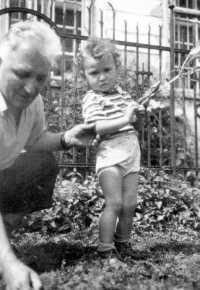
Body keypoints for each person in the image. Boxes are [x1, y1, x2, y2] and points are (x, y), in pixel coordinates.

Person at [0, 21, 98, 290]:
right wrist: (8, 264)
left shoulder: (32, 100)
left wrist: (67, 138)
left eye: (41, 78)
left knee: (41, 164)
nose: (31, 88)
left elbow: (35, 141)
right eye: (22, 73)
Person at [78, 37, 145, 267]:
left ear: (116, 69)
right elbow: (96, 126)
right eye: (94, 72)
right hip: (110, 157)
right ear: (85, 75)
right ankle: (106, 251)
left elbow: (133, 126)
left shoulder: (123, 95)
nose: (102, 77)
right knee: (114, 203)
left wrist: (137, 118)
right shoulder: (91, 98)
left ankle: (123, 244)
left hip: (130, 153)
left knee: (129, 204)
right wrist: (125, 117)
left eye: (107, 70)